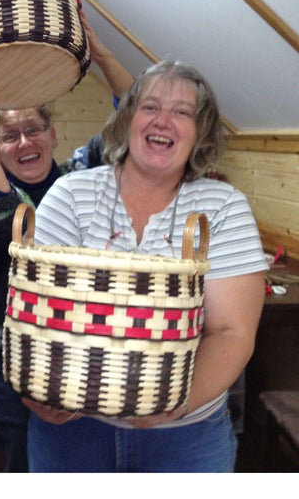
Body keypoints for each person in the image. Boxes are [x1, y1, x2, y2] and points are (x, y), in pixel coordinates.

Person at [24, 60, 268, 472]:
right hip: (73, 430)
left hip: (185, 438)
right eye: (150, 106)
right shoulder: (70, 194)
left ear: (200, 131)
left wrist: (173, 405)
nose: (164, 121)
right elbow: (38, 314)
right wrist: (40, 393)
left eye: (182, 112)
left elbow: (230, 332)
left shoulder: (224, 207)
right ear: (128, 118)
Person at [0, 13, 133, 472]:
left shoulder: (83, 175)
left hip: (90, 355)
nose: (24, 141)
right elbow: (4, 213)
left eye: (33, 129)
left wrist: (100, 55)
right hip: (15, 366)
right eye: (8, 135)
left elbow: (135, 112)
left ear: (53, 135)